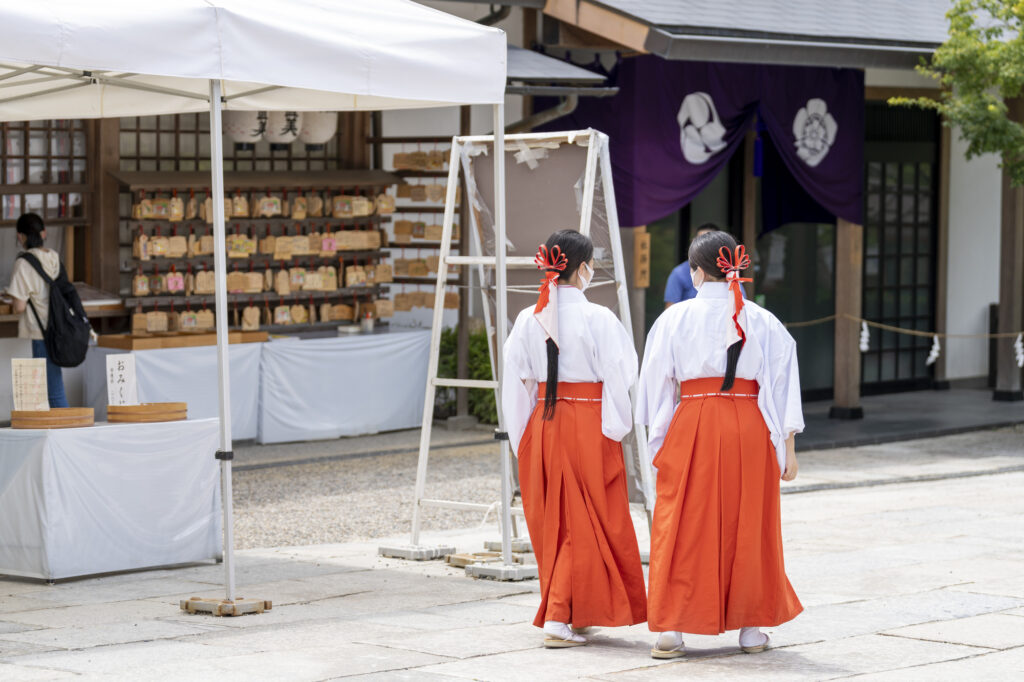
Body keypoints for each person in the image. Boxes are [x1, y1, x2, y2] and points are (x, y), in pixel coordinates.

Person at [637, 230, 803, 659]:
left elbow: (655, 386)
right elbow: (784, 383)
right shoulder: (762, 319)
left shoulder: (673, 319)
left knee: (680, 522)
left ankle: (672, 628)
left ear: (696, 272)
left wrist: (658, 439)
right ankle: (750, 629)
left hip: (693, 419)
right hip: (749, 422)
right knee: (749, 523)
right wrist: (788, 448)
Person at [503, 229, 647, 648]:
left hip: (545, 423)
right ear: (583, 269)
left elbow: (516, 384)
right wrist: (615, 428)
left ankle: (573, 611)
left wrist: (523, 438)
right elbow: (622, 374)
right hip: (589, 422)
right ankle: (559, 617)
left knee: (558, 520)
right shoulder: (599, 318)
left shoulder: (528, 318)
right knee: (591, 520)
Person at [7, 213, 68, 408]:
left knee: (52, 390)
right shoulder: (53, 256)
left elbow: (19, 307)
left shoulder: (23, 263)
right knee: (53, 386)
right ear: (44, 233)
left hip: (41, 331)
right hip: (58, 327)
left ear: (20, 237)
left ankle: (65, 433)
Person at [663, 223, 719, 309]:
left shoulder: (729, 273)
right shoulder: (679, 273)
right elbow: (670, 311)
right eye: (699, 240)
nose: (703, 246)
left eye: (708, 243)